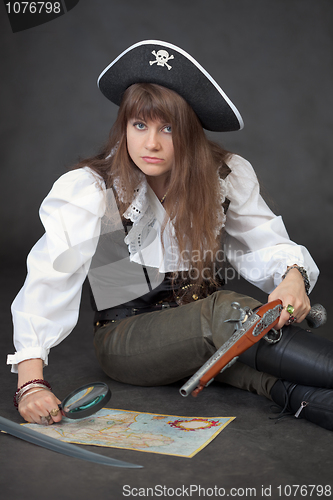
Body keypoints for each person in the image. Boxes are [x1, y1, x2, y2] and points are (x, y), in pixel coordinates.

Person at [8, 40, 333, 431]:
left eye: (169, 128)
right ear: (124, 125)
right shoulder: (92, 189)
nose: (151, 143)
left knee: (263, 374)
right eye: (140, 125)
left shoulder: (223, 176)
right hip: (127, 341)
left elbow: (265, 241)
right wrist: (30, 383)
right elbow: (50, 276)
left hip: (214, 333)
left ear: (191, 132)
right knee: (228, 311)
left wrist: (293, 276)